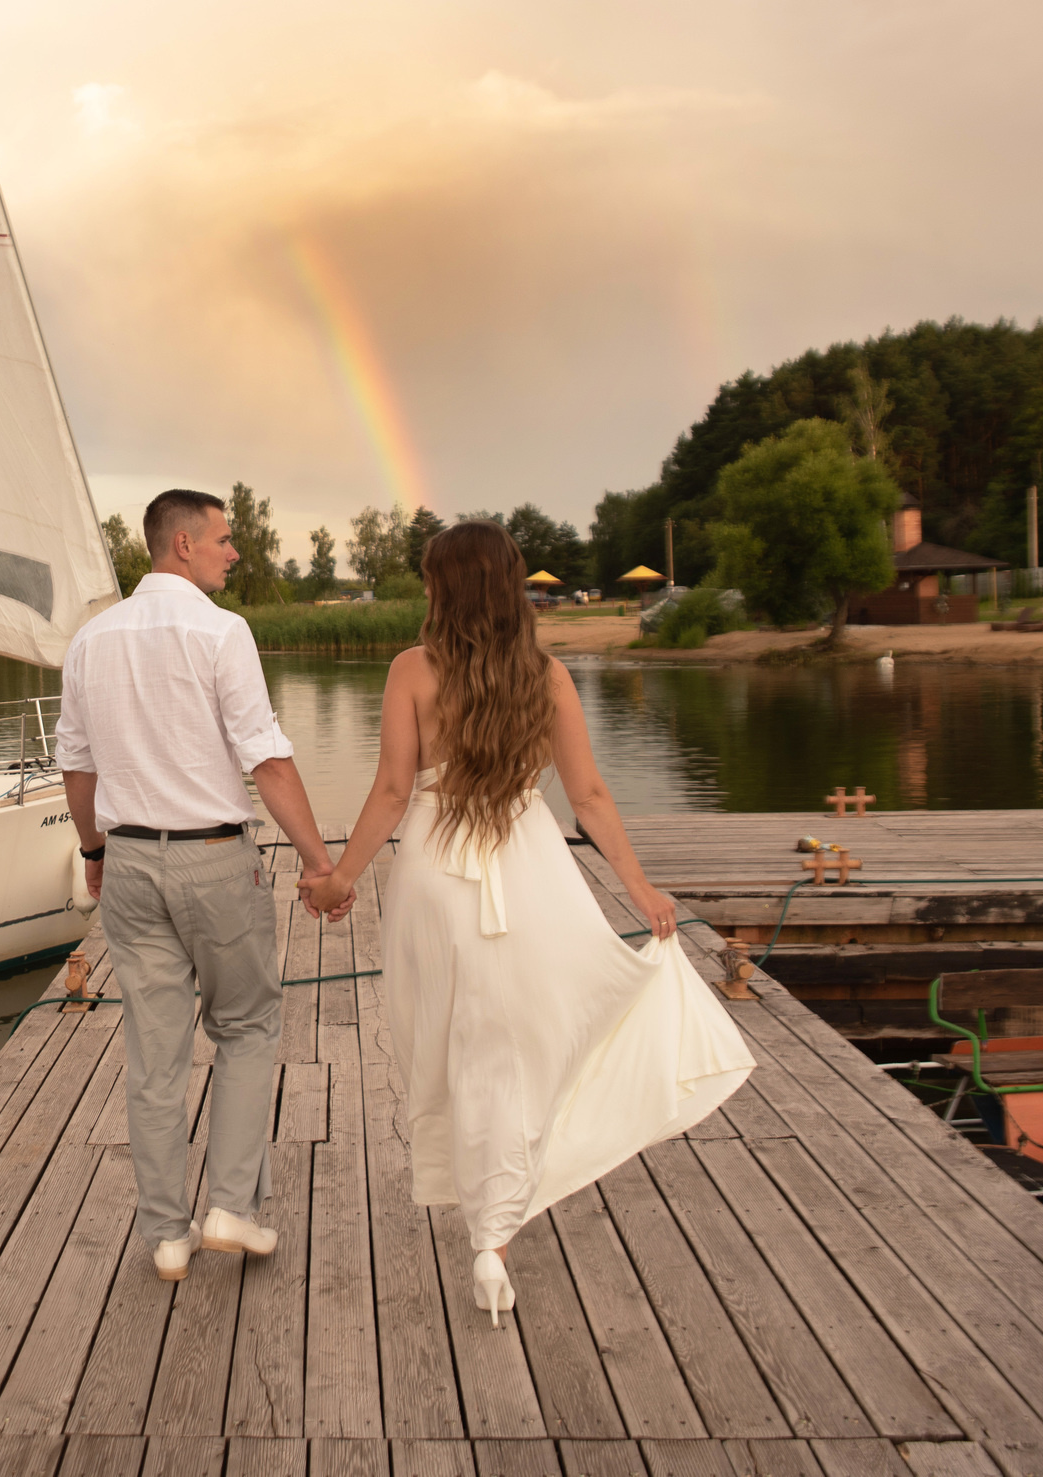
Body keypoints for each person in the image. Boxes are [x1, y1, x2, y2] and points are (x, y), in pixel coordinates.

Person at [305, 519, 752, 1326]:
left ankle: (485, 1216)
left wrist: (340, 878)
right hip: (530, 868)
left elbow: (395, 792)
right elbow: (587, 798)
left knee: (453, 1040)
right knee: (523, 1042)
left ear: (444, 587)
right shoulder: (546, 676)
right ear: (512, 587)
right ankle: (494, 1236)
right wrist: (641, 888)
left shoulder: (411, 669)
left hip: (436, 875)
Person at [57, 489, 348, 1282]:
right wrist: (321, 864)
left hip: (130, 864)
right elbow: (268, 761)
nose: (234, 552)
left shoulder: (90, 639)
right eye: (224, 539)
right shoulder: (222, 632)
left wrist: (93, 848)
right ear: (182, 544)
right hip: (215, 859)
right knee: (247, 1026)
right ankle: (230, 1206)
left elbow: (76, 767)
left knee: (155, 1053)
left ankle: (167, 1234)